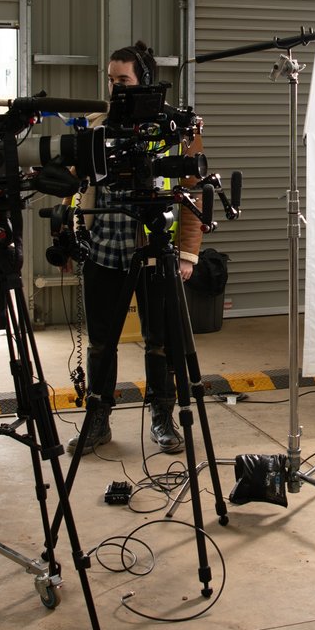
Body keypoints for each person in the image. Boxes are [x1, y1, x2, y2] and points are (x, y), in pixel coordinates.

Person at [71, 41, 204, 458]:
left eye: (123, 80)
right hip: (105, 248)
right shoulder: (99, 126)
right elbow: (79, 186)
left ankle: (162, 418)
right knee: (100, 342)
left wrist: (188, 253)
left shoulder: (175, 130)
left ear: (143, 81)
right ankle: (98, 419)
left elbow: (193, 194)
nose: (115, 89)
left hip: (156, 250)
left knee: (160, 341)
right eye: (111, 81)